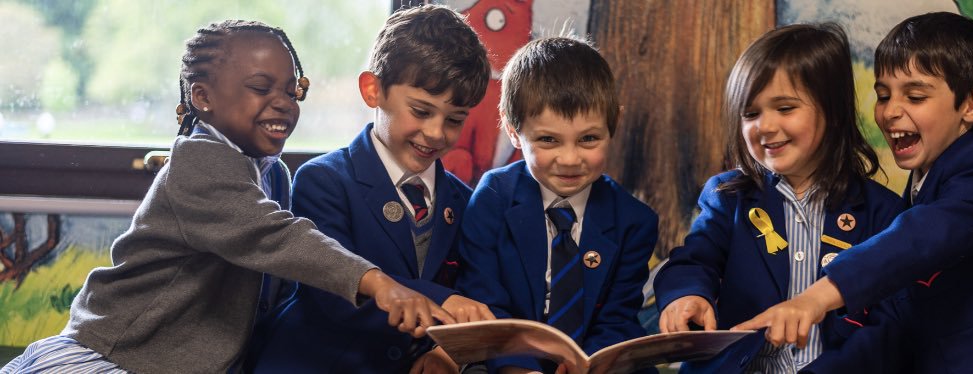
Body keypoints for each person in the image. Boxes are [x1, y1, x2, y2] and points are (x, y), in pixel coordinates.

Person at [0, 20, 451, 374]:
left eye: (293, 91)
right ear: (202, 96)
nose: (284, 103)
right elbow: (274, 236)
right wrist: (379, 283)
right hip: (121, 355)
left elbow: (275, 284)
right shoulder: (201, 158)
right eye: (261, 88)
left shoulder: (272, 173)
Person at [741, 12, 973, 373]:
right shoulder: (922, 189)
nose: (890, 111)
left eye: (915, 96)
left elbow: (921, 237)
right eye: (884, 95)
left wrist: (816, 297)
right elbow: (896, 326)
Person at [248, 5, 494, 373]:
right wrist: (445, 301)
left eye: (454, 119)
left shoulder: (463, 200)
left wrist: (446, 352)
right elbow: (335, 294)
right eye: (422, 111)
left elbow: (476, 288)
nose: (436, 133)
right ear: (372, 89)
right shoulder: (323, 180)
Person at [652, 23, 905, 373]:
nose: (765, 126)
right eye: (751, 113)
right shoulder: (728, 197)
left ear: (832, 113)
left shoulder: (884, 212)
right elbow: (694, 260)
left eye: (785, 108)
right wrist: (686, 295)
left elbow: (887, 325)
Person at [455, 37, 658, 374]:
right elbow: (484, 300)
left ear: (614, 123)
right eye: (548, 140)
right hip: (503, 360)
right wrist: (519, 368)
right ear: (513, 129)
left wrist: (585, 364)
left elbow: (617, 319)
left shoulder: (635, 222)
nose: (569, 159)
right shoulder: (494, 196)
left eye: (588, 139)